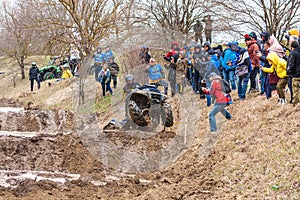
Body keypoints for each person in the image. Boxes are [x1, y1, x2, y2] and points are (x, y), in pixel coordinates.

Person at [287, 41, 300, 105]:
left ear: (292, 47)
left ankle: (295, 103)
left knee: (295, 89)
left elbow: (291, 64)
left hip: (295, 74)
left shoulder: (293, 53)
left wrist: (289, 72)